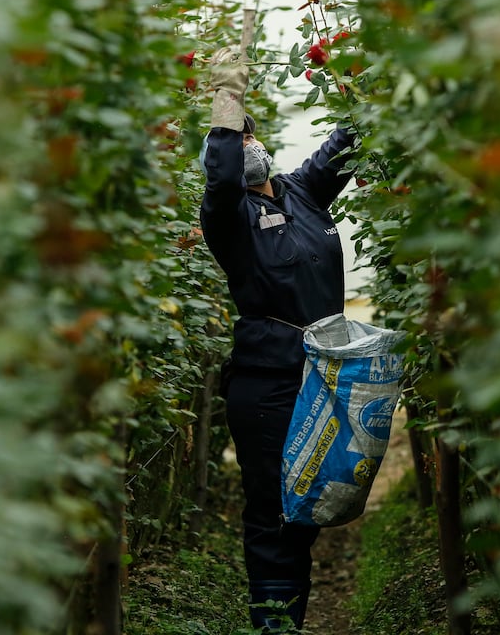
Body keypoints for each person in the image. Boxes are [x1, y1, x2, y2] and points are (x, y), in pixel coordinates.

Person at [198, 45, 358, 631]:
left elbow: (342, 148)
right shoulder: (229, 219)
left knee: (308, 508)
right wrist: (226, 102)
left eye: (251, 135)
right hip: (267, 386)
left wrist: (366, 79)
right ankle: (273, 624)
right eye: (238, 139)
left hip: (323, 376)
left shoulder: (300, 194)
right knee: (274, 513)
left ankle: (290, 616)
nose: (249, 144)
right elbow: (218, 181)